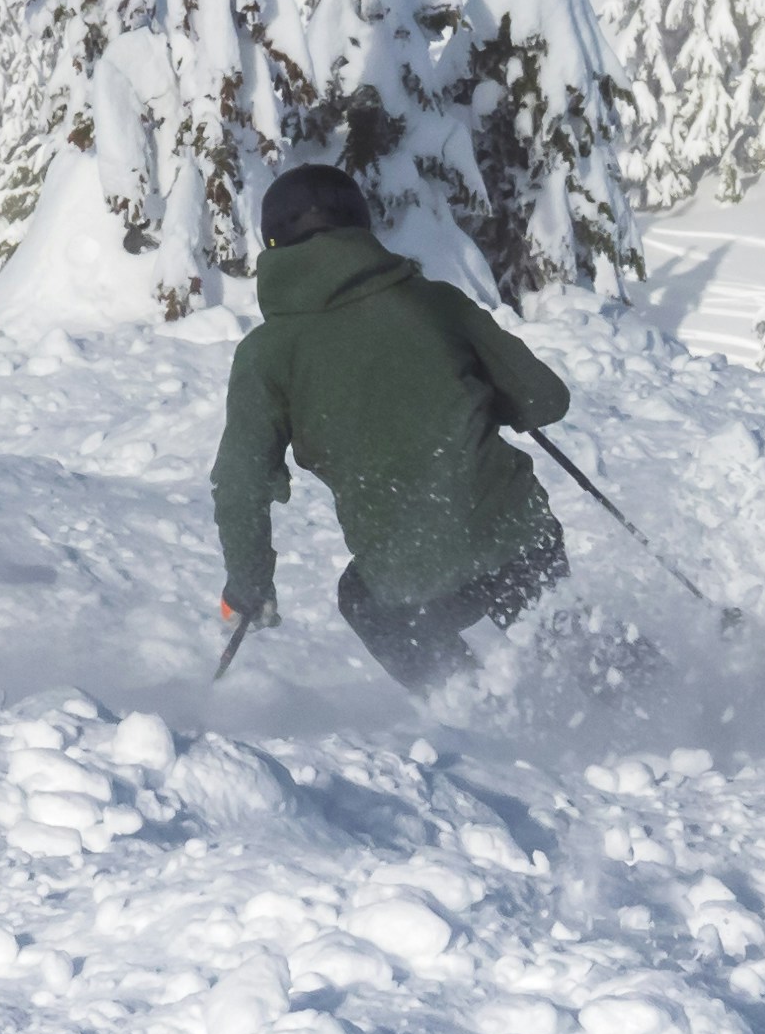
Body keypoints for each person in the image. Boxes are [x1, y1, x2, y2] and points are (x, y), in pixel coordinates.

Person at [213, 166, 572, 692]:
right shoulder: (435, 302)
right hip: (519, 537)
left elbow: (242, 483)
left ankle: (474, 708)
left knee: (363, 598)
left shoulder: (266, 356)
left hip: (413, 579)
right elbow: (545, 398)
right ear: (361, 225)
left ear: (272, 246)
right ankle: (669, 697)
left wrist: (249, 587)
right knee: (570, 642)